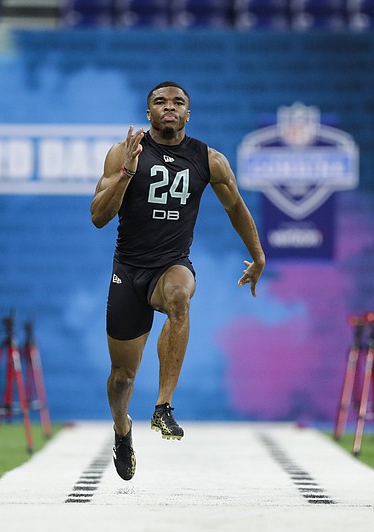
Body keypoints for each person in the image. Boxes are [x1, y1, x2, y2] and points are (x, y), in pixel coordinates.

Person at [90, 81, 266, 480]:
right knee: (122, 378)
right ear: (148, 111)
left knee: (179, 296)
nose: (169, 107)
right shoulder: (124, 152)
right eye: (160, 102)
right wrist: (126, 174)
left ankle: (163, 406)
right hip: (129, 271)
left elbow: (235, 206)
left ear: (189, 113)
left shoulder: (210, 159)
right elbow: (98, 216)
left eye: (178, 102)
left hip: (172, 264)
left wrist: (257, 255)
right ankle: (122, 432)